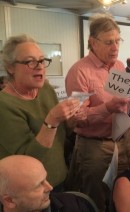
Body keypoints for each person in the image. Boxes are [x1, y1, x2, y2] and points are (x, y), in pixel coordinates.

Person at [65, 14, 130, 212]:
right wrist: (108, 108)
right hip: (94, 147)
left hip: (121, 141)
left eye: (117, 41)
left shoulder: (119, 66)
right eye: (109, 42)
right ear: (92, 42)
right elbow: (77, 118)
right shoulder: (80, 71)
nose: (115, 47)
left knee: (120, 196)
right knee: (95, 202)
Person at [0, 34, 83, 190]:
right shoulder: (4, 104)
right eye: (30, 61)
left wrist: (72, 120)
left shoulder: (45, 89)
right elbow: (26, 160)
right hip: (29, 189)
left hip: (59, 179)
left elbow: (60, 135)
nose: (39, 66)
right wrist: (51, 120)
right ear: (11, 67)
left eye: (42, 60)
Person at [0, 155, 98, 212]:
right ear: (9, 200)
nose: (49, 187)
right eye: (38, 185)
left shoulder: (74, 206)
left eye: (45, 179)